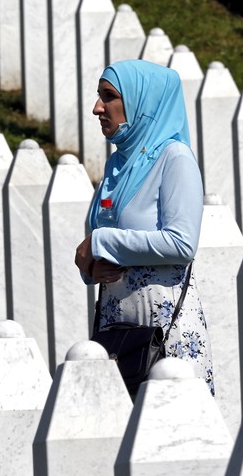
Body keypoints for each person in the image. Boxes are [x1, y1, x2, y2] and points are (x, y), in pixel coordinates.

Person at [74, 59, 214, 394]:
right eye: (99, 96)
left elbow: (182, 244)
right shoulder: (118, 164)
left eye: (109, 96)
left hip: (165, 332)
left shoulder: (175, 159)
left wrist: (98, 243)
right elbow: (105, 242)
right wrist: (90, 266)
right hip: (117, 328)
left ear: (142, 101)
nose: (97, 108)